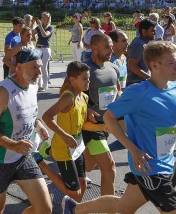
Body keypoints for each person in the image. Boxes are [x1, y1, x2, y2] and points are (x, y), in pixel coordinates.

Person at [62, 41, 176, 214]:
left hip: (168, 163)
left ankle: (74, 209)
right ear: (154, 65)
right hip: (150, 167)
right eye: (171, 62)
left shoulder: (174, 88)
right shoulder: (138, 93)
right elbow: (109, 117)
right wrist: (133, 149)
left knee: (123, 206)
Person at [0, 49, 52, 214]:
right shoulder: (3, 92)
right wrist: (12, 145)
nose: (39, 72)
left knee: (44, 209)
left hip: (22, 157)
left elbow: (26, 112)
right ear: (18, 67)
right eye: (33, 67)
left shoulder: (32, 86)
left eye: (40, 67)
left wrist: (38, 125)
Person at [42, 61, 106, 203]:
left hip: (77, 146)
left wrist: (103, 126)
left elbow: (82, 125)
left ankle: (73, 209)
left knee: (83, 184)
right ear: (72, 79)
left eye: (89, 78)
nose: (88, 81)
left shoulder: (84, 97)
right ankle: (41, 163)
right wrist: (63, 135)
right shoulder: (68, 97)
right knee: (73, 192)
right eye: (84, 79)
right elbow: (47, 116)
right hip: (63, 148)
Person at [82, 33, 120, 196]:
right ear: (93, 48)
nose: (110, 50)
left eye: (111, 46)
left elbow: (117, 90)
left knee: (87, 166)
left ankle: (70, 170)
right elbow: (68, 95)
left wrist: (119, 97)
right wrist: (87, 109)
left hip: (106, 126)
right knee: (109, 168)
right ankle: (108, 208)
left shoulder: (113, 67)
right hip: (90, 127)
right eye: (106, 47)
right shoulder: (84, 68)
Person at [127, 19, 156, 86]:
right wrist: (150, 78)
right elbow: (132, 66)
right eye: (152, 31)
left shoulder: (142, 42)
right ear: (144, 31)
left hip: (141, 81)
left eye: (155, 31)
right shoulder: (139, 45)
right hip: (136, 82)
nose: (154, 33)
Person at [33, 12, 53, 91]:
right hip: (37, 48)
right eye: (42, 17)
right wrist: (32, 23)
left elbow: (45, 35)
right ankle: (39, 85)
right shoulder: (38, 27)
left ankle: (45, 86)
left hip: (45, 49)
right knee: (36, 66)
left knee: (44, 68)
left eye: (45, 17)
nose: (43, 18)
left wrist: (40, 26)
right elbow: (31, 32)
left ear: (48, 19)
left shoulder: (50, 28)